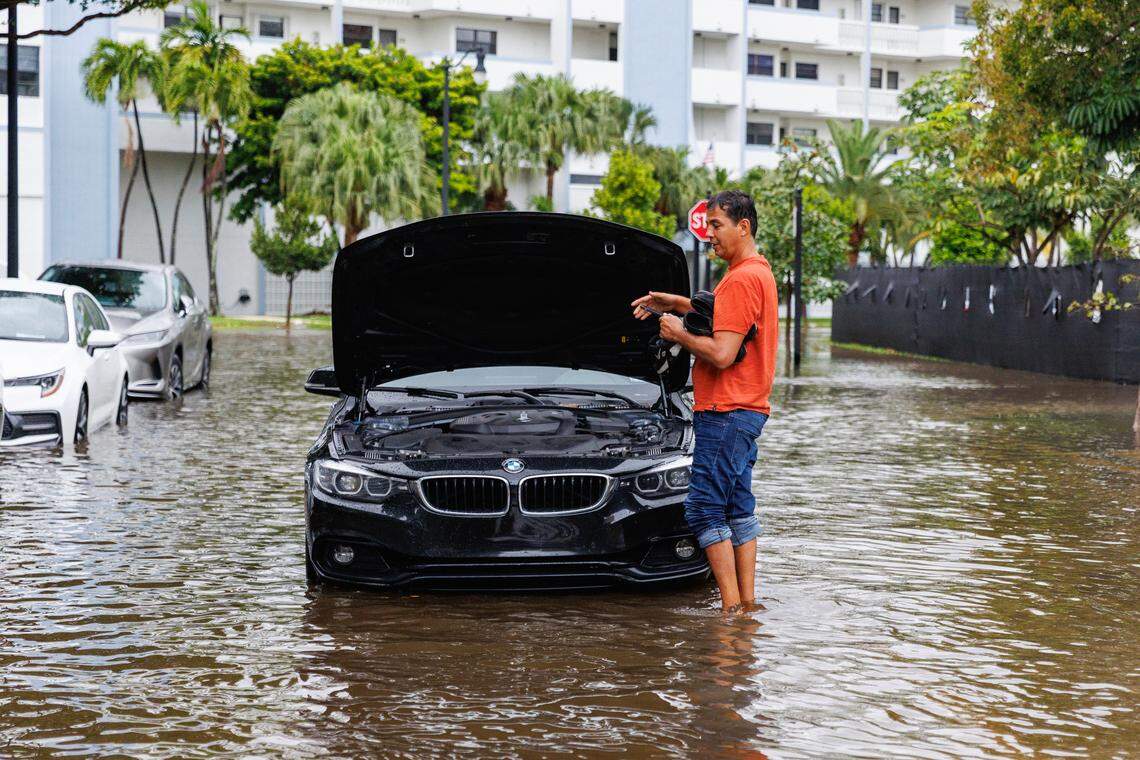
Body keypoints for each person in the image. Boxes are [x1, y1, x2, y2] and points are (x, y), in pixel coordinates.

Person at [631, 190, 778, 613]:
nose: (709, 234)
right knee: (737, 505)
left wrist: (678, 333)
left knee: (702, 508)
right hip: (748, 411)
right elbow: (721, 312)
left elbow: (721, 353)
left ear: (743, 226)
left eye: (717, 226)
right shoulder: (758, 271)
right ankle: (747, 607)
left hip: (726, 411)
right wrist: (675, 301)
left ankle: (730, 611)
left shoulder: (741, 278)